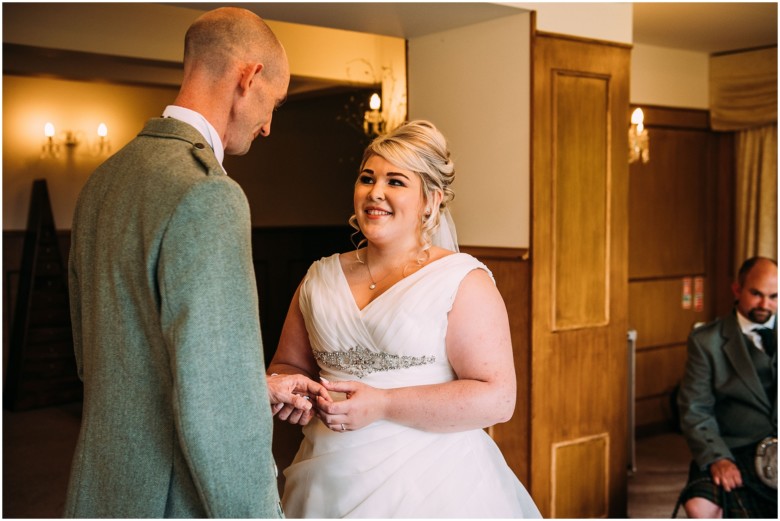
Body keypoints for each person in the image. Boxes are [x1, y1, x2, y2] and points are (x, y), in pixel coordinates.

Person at [65, 7, 328, 518]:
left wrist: (256, 383)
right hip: (173, 498)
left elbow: (97, 356)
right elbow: (218, 410)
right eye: (273, 103)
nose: (269, 126)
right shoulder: (209, 194)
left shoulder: (103, 181)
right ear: (248, 78)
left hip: (103, 488)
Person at [268, 120, 542, 518]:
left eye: (395, 181)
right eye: (367, 178)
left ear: (430, 200)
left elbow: (498, 399)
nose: (375, 192)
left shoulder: (462, 281)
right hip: (327, 476)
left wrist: (384, 404)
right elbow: (287, 365)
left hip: (433, 484)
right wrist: (293, 393)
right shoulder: (319, 277)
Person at [677, 256, 777, 518]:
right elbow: (695, 409)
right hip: (734, 449)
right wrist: (718, 458)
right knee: (700, 507)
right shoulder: (706, 341)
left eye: (774, 296)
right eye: (756, 294)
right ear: (737, 289)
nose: (765, 305)